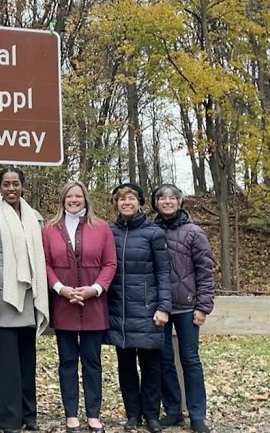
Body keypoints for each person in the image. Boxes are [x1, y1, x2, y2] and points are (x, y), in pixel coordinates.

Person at [0, 167, 50, 433]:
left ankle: (29, 414)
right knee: (6, 365)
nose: (11, 188)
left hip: (29, 298)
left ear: (22, 186)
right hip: (2, 298)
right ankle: (9, 419)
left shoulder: (35, 217)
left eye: (15, 184)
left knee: (26, 361)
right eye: (6, 184)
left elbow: (41, 258)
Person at [42, 181, 116, 433]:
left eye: (79, 196)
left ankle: (93, 414)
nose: (74, 200)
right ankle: (71, 413)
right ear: (63, 200)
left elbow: (110, 264)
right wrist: (60, 288)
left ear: (86, 199)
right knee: (67, 361)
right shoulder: (50, 229)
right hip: (63, 303)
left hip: (94, 303)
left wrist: (94, 289)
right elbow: (45, 263)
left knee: (92, 361)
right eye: (70, 196)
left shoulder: (102, 228)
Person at [106, 183, 172, 433]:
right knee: (125, 366)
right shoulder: (108, 232)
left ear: (140, 202)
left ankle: (152, 415)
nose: (126, 203)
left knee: (151, 365)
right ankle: (132, 413)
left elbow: (163, 271)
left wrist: (164, 306)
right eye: (121, 199)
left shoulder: (153, 233)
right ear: (116, 204)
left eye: (131, 198)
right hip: (119, 309)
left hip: (148, 308)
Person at [151, 184, 214, 433]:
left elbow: (205, 271)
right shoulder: (151, 231)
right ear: (156, 203)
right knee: (164, 361)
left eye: (171, 198)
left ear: (179, 202)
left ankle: (197, 414)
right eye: (162, 198)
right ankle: (173, 411)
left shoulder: (194, 233)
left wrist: (203, 306)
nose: (167, 202)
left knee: (190, 360)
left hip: (188, 308)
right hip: (160, 307)